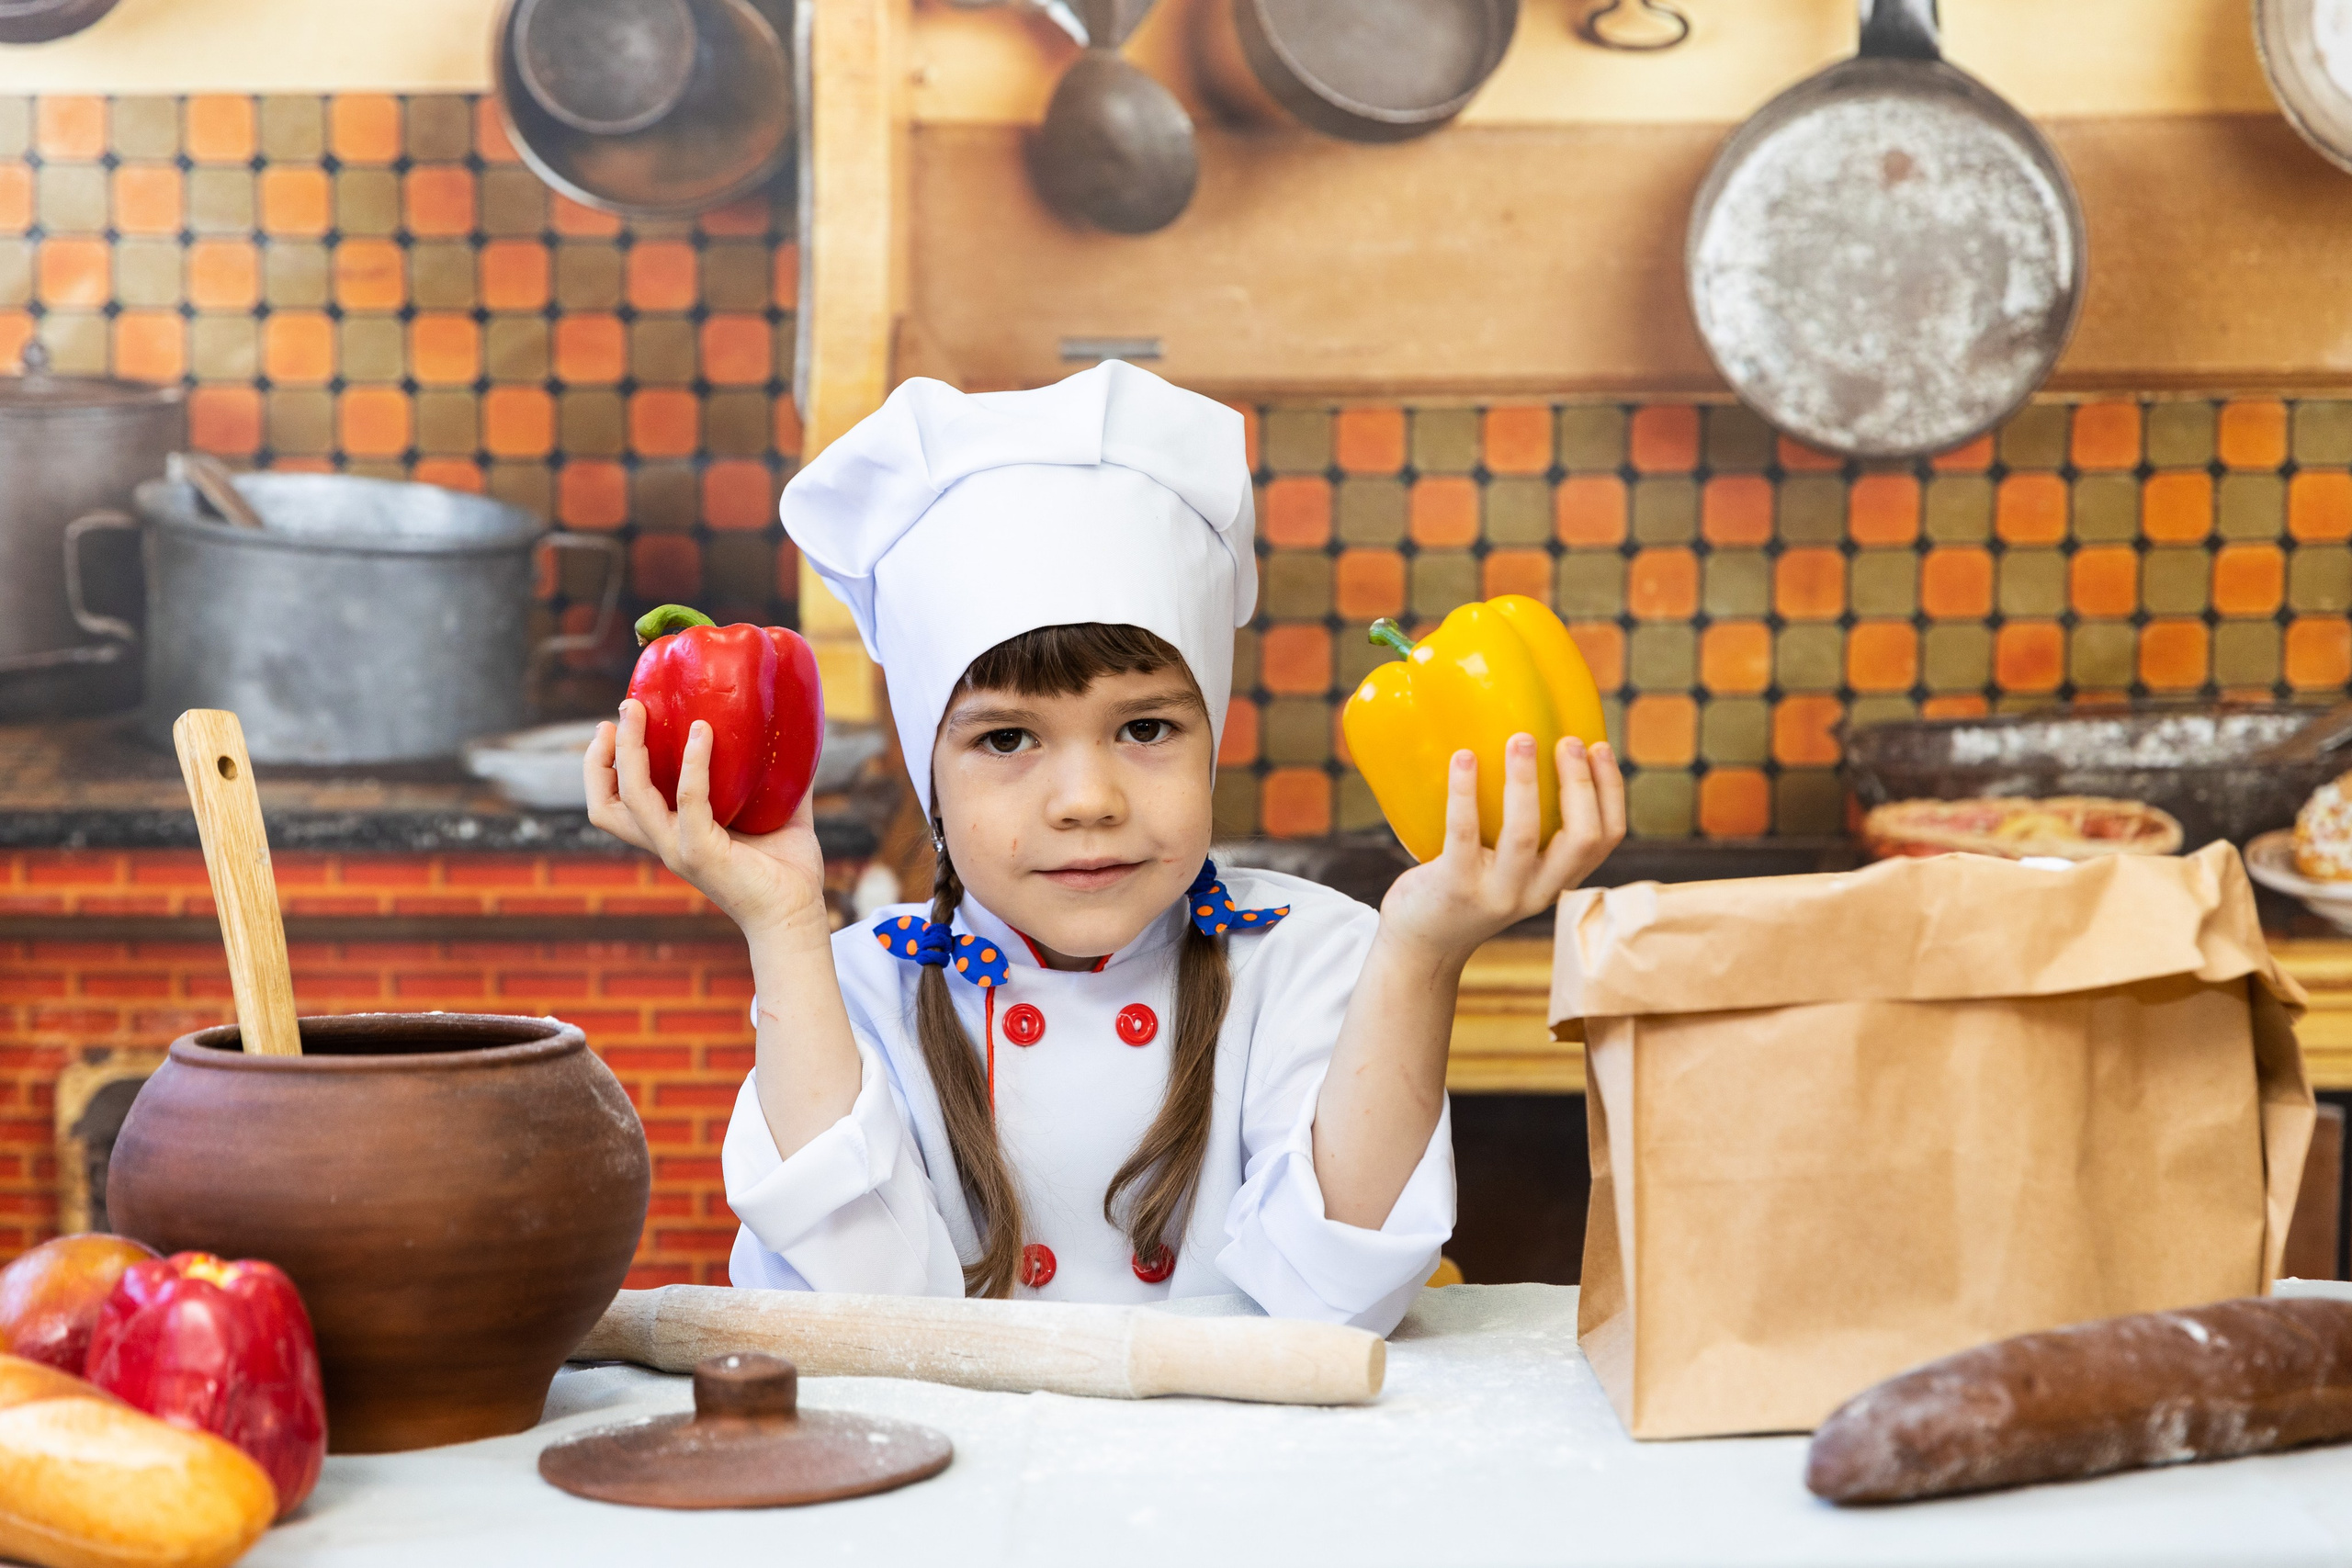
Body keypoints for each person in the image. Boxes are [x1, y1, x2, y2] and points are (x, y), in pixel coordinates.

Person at [584, 361, 1625, 1335]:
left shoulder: (1318, 954)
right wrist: (778, 923)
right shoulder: (850, 985)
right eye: (1005, 739)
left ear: (1214, 734)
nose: (1087, 800)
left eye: (1145, 730)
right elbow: (855, 1321)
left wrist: (1423, 953)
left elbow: (1337, 1301)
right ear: (924, 768)